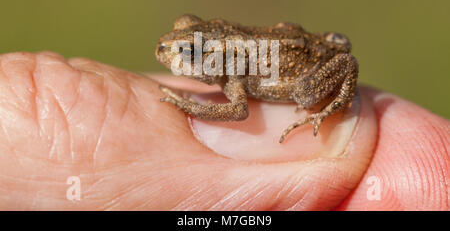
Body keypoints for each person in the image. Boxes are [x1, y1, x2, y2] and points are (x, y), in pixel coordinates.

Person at [0, 51, 447, 210]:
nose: (172, 55)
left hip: (299, 66)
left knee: (311, 95)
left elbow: (237, 114)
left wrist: (187, 104)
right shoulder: (229, 63)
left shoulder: (234, 73)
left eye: (190, 53)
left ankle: (322, 109)